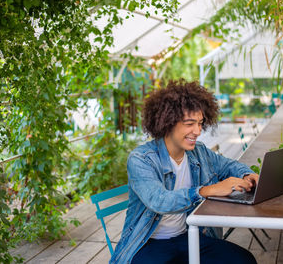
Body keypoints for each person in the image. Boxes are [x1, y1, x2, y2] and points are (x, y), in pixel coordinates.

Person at [110, 79, 258, 264]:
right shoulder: (141, 159)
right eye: (189, 123)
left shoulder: (199, 151)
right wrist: (206, 191)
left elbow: (227, 165)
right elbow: (160, 201)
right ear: (168, 122)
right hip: (147, 243)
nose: (197, 131)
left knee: (244, 260)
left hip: (188, 237)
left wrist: (247, 174)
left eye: (200, 123)